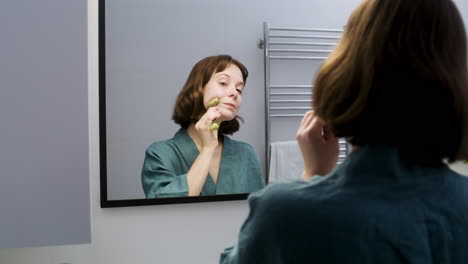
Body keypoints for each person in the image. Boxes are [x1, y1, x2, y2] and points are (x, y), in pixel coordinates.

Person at [220, 0, 468, 263]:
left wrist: (312, 175)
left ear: (347, 74)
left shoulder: (285, 214)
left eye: (238, 86)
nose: (234, 92)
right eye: (223, 83)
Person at [141, 55, 265, 198]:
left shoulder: (245, 154)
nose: (234, 93)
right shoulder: (160, 154)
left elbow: (260, 211)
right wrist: (208, 149)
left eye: (239, 89)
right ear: (198, 88)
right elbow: (166, 211)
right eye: (224, 83)